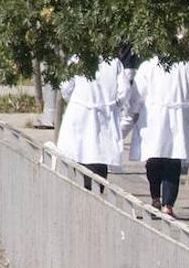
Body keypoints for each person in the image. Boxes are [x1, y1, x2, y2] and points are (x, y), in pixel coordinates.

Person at [129, 55, 189, 217]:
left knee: (154, 158)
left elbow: (137, 94)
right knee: (172, 160)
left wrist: (133, 113)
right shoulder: (185, 65)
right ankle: (167, 205)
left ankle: (155, 198)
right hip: (177, 117)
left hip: (154, 116)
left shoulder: (148, 65)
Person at [55, 56, 134, 191]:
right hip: (104, 116)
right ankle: (96, 193)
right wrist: (114, 105)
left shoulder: (77, 58)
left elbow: (65, 88)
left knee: (78, 153)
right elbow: (125, 90)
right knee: (99, 155)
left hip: (78, 116)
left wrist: (77, 101)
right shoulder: (114, 63)